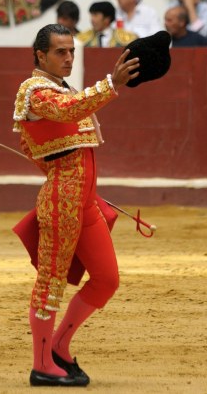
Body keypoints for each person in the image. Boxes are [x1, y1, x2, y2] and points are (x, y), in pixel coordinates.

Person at [13, 23, 140, 387]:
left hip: (84, 201)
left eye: (72, 51)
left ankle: (59, 347)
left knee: (106, 279)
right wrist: (110, 85)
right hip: (61, 200)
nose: (69, 58)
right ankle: (41, 366)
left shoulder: (62, 88)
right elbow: (69, 110)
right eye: (60, 52)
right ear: (41, 55)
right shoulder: (34, 91)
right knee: (50, 283)